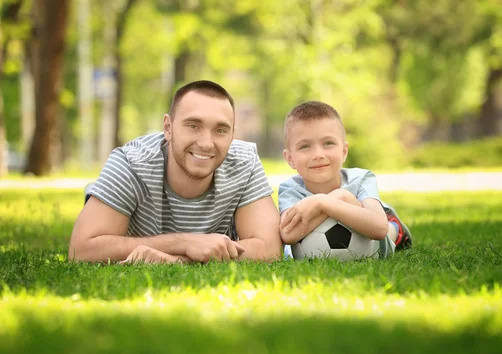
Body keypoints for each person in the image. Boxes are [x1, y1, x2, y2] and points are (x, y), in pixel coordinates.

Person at [69, 80, 282, 264]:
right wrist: (186, 242)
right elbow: (81, 251)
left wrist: (177, 260)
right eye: (193, 126)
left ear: (232, 134)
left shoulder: (244, 161)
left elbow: (270, 249)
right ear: (168, 128)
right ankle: (99, 196)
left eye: (221, 130)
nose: (207, 143)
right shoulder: (131, 163)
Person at [277, 101, 412, 259]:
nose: (318, 154)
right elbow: (288, 234)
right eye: (305, 146)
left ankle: (396, 228)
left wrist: (321, 202)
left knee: (388, 230)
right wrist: (337, 199)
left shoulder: (360, 179)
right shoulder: (291, 190)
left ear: (344, 151)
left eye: (328, 143)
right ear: (290, 158)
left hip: (377, 238)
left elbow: (379, 229)